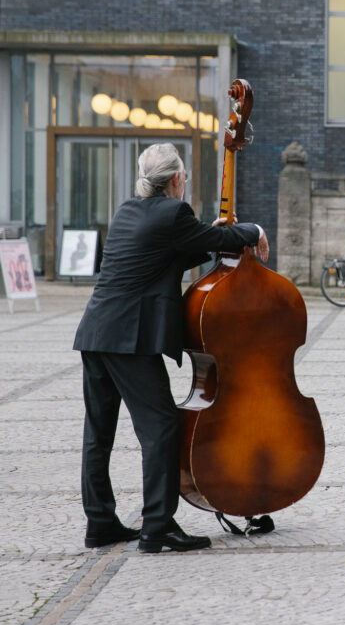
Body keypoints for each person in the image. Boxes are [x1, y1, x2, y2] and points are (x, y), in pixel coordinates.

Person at [73, 143, 269, 553]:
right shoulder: (174, 213)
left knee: (98, 434)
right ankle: (158, 526)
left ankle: (101, 523)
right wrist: (253, 231)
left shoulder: (128, 210)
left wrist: (214, 235)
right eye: (185, 178)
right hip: (130, 339)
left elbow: (169, 253)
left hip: (96, 334)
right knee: (161, 428)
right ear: (177, 179)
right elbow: (194, 240)